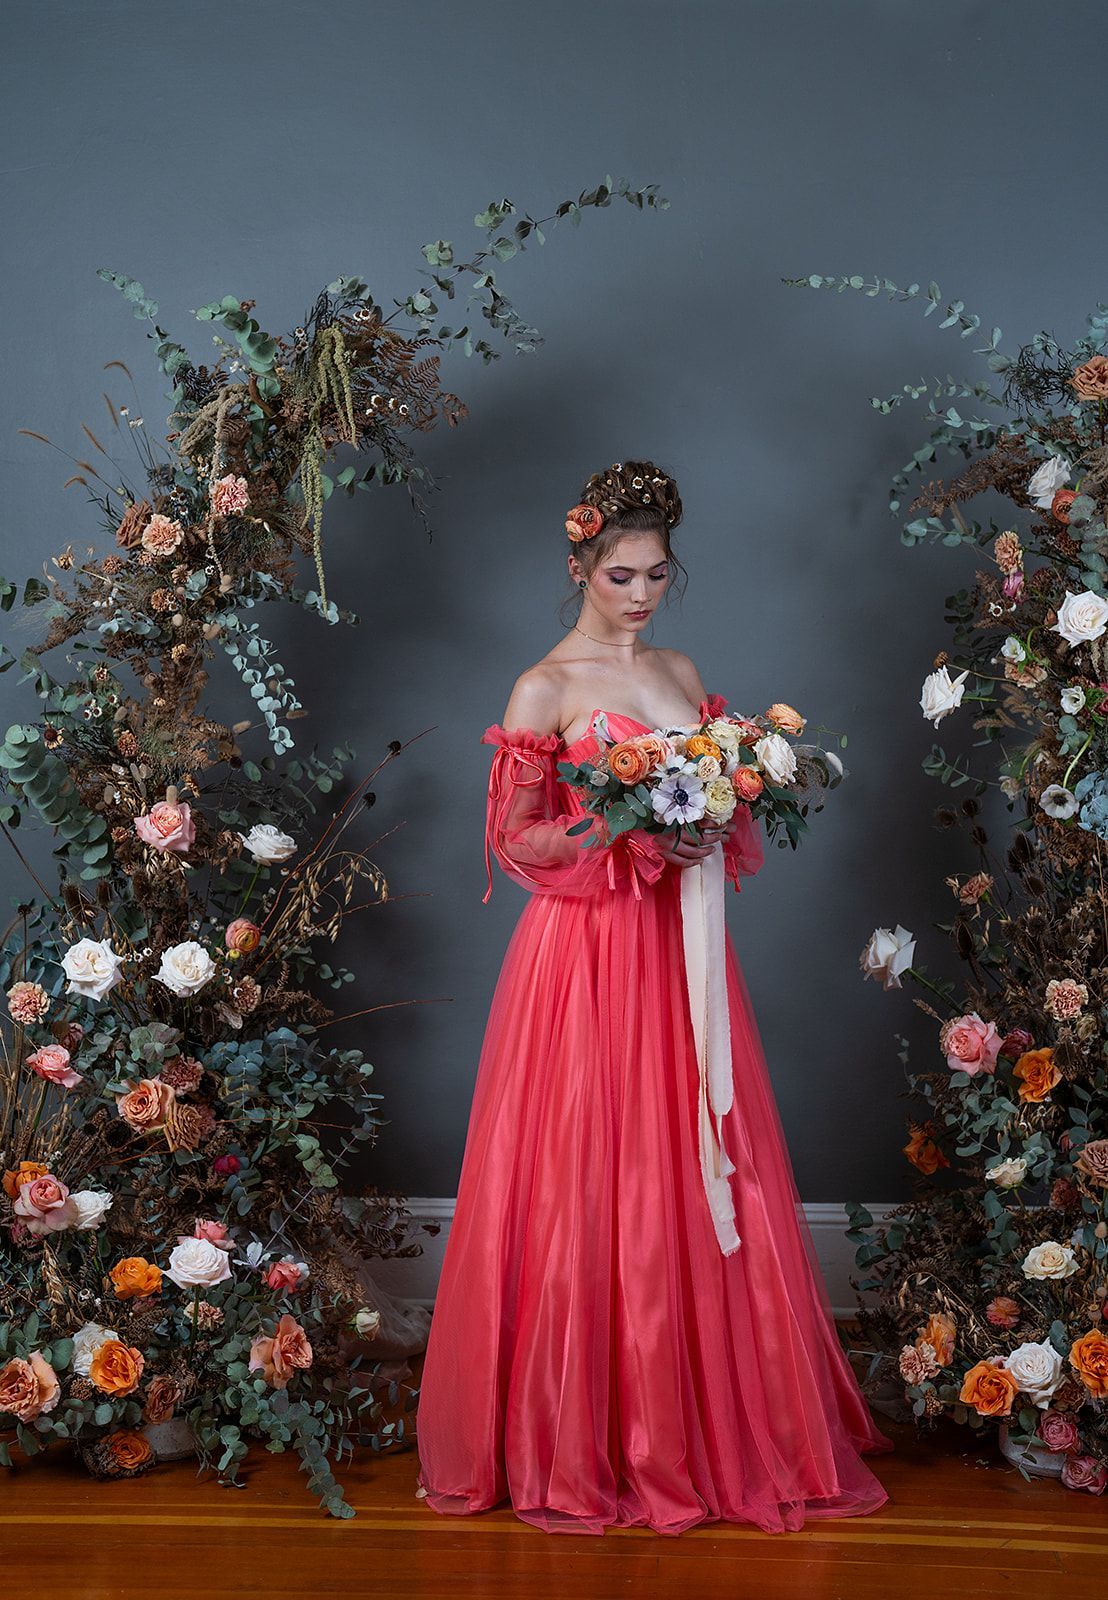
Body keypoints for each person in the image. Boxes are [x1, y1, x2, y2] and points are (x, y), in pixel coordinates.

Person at [414, 460, 893, 1536]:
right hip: (586, 956)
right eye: (619, 574)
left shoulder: (679, 668)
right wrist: (620, 830)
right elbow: (515, 839)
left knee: (689, 1159)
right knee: (592, 1170)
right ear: (578, 565)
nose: (638, 594)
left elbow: (718, 796)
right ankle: (579, 1433)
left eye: (656, 574)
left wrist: (713, 817)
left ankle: (698, 1421)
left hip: (682, 951)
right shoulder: (543, 686)